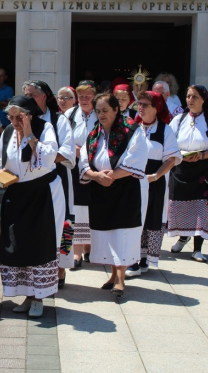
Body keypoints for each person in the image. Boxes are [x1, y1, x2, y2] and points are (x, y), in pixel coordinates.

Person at [0, 96, 65, 317]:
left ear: (30, 114)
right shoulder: (7, 131)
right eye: (11, 116)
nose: (14, 120)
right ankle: (27, 294)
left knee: (40, 243)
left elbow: (49, 157)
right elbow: (2, 159)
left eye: (19, 116)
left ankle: (40, 297)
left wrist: (29, 134)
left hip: (42, 194)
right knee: (19, 244)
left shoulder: (44, 128)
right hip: (17, 193)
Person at [79, 93, 148, 296]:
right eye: (98, 111)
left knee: (122, 234)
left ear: (116, 109)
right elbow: (83, 162)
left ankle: (120, 279)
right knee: (107, 234)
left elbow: (135, 159)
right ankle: (111, 274)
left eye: (105, 110)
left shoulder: (132, 130)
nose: (101, 115)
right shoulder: (93, 135)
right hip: (101, 190)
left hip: (125, 190)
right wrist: (96, 175)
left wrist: (112, 176)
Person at [23, 81, 76, 288]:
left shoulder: (58, 120)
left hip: (58, 176)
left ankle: (61, 268)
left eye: (33, 95)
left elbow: (66, 153)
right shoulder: (23, 119)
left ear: (45, 96)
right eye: (26, 95)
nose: (29, 99)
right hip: (30, 179)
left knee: (63, 221)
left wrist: (43, 158)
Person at [125, 91, 181, 277]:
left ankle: (143, 259)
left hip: (154, 181)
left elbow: (172, 158)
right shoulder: (132, 127)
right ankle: (131, 258)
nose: (140, 108)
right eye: (139, 104)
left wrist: (155, 176)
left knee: (150, 216)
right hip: (133, 179)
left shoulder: (165, 130)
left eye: (145, 105)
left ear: (156, 108)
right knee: (132, 216)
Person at [168, 85, 208, 260]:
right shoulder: (179, 119)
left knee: (200, 207)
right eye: (188, 96)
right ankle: (182, 237)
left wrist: (203, 155)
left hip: (202, 169)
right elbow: (169, 142)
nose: (190, 100)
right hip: (180, 168)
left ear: (203, 100)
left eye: (195, 97)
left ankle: (197, 248)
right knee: (179, 206)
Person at [65, 80, 98, 268]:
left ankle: (90, 248)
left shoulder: (101, 113)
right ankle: (74, 253)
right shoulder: (70, 114)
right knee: (74, 207)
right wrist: (73, 149)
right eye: (81, 96)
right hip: (74, 166)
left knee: (92, 206)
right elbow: (63, 139)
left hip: (95, 166)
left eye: (88, 96)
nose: (84, 99)